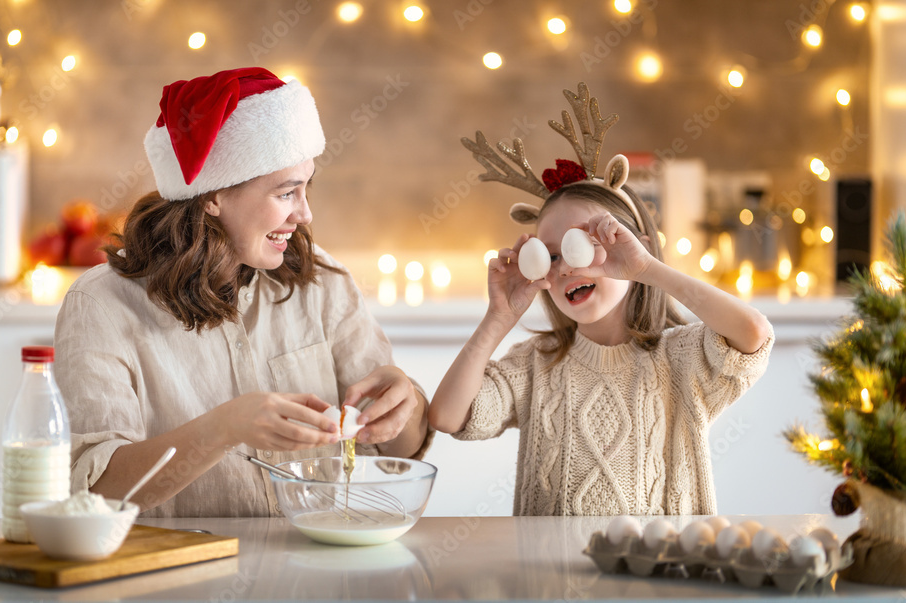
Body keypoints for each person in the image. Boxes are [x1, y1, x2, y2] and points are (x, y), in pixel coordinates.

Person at [54, 67, 430, 517]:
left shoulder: (324, 283)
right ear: (212, 196)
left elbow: (401, 454)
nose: (305, 214)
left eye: (306, 188)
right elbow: (98, 494)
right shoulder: (101, 306)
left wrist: (405, 404)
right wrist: (224, 428)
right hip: (178, 582)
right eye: (287, 192)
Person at [429, 85, 774, 516]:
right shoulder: (538, 363)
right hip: (553, 579)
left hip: (661, 576)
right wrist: (498, 319)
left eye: (579, 247)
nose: (566, 268)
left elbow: (753, 334)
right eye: (549, 257)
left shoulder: (681, 359)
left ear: (635, 247)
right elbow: (446, 416)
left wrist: (648, 269)